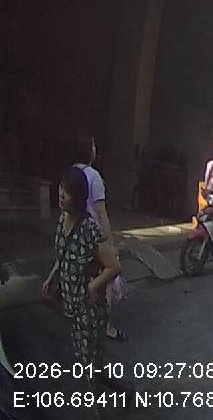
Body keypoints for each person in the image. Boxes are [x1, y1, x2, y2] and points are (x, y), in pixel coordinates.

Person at [42, 166, 122, 376]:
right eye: (61, 187)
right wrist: (52, 277)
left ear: (78, 198)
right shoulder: (62, 220)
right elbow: (64, 253)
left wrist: (91, 288)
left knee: (89, 361)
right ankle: (104, 385)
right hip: (71, 305)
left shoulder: (89, 229)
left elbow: (114, 266)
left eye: (68, 192)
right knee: (83, 356)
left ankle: (99, 392)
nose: (61, 195)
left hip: (89, 310)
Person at [72, 132, 127, 342]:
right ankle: (106, 326)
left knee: (82, 277)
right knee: (109, 275)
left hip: (75, 234)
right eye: (93, 146)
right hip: (94, 236)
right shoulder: (93, 176)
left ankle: (81, 318)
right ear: (90, 151)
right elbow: (101, 213)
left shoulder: (70, 173)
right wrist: (110, 243)